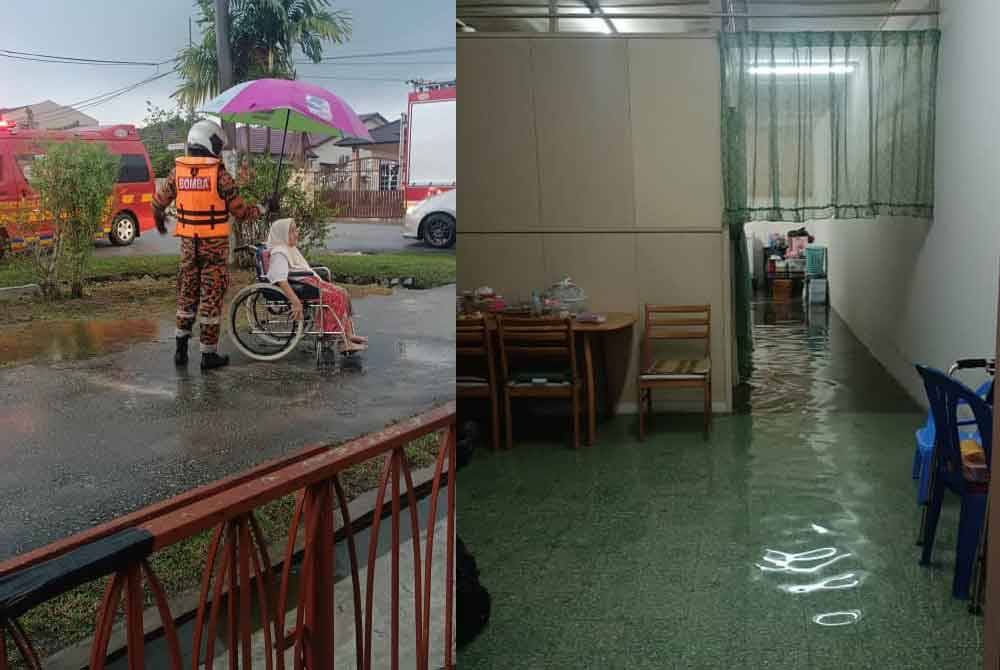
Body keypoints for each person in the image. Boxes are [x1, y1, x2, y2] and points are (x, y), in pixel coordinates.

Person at [152, 119, 269, 370]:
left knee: (186, 295)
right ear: (209, 144)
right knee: (211, 298)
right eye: (217, 145)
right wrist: (263, 207)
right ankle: (208, 354)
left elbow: (158, 202)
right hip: (213, 249)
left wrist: (159, 220)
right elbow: (241, 213)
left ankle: (180, 351)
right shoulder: (220, 176)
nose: (219, 150)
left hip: (188, 248)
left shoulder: (177, 172)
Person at [265, 218, 368, 353]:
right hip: (301, 285)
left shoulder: (288, 248)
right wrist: (295, 302)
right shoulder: (279, 253)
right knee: (335, 296)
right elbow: (280, 279)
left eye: (296, 230)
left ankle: (348, 334)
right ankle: (341, 342)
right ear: (282, 234)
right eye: (292, 231)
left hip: (306, 281)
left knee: (343, 292)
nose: (297, 233)